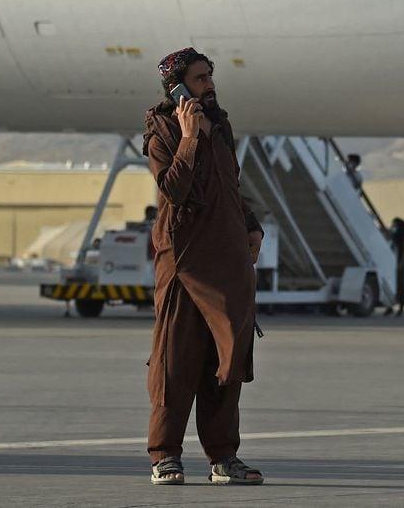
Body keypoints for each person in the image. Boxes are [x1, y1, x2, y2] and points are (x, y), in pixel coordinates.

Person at [143, 47, 265, 485]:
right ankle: (165, 456)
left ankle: (223, 457)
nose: (209, 84)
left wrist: (251, 226)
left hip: (226, 261)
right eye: (199, 79)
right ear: (177, 87)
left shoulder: (222, 126)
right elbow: (173, 190)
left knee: (226, 363)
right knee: (176, 363)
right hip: (184, 262)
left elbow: (227, 185)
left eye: (210, 76)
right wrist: (189, 137)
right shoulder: (162, 130)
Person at [384, 217, 404, 316]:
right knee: (391, 286)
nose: (392, 227)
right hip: (393, 265)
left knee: (401, 286)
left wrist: (400, 265)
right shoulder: (393, 237)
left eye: (394, 225)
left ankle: (401, 307)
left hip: (402, 265)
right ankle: (389, 305)